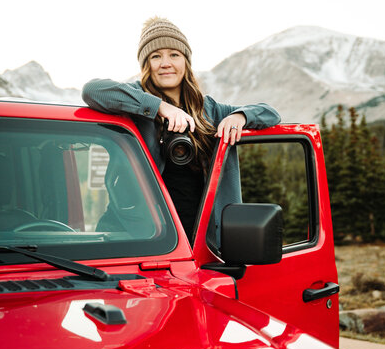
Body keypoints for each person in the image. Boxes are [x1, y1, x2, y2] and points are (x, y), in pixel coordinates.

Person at [82, 17, 281, 246]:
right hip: (134, 238)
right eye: (156, 56)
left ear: (186, 61)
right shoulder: (134, 104)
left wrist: (241, 116)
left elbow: (270, 112)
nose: (165, 63)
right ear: (146, 65)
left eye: (174, 55)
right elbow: (92, 90)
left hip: (198, 242)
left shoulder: (210, 110)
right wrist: (160, 108)